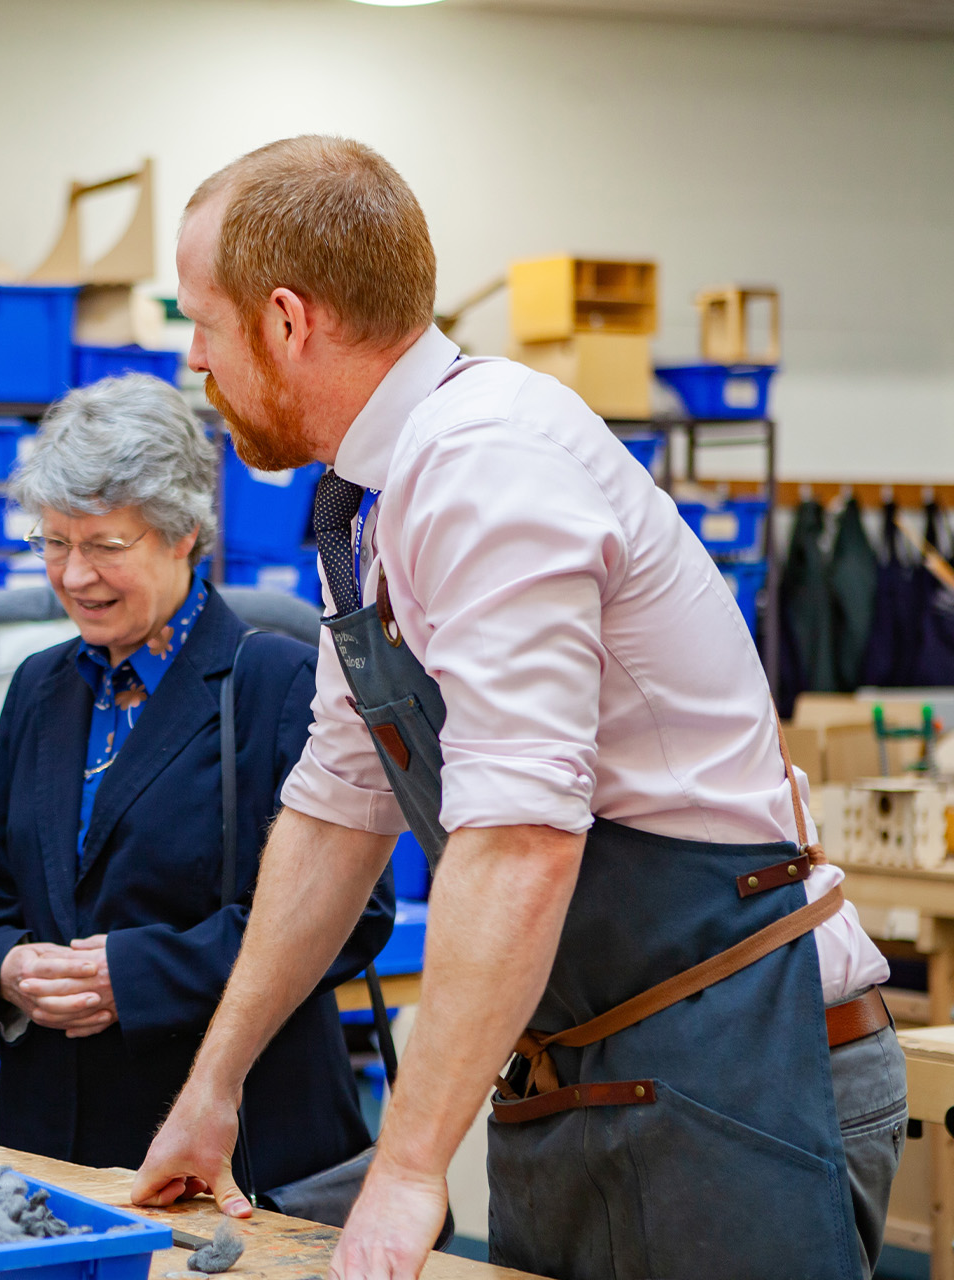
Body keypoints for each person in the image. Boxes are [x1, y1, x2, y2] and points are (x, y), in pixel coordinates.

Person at [131, 135, 906, 1280]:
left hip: (741, 1073)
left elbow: (523, 838)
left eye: (201, 322)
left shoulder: (488, 464)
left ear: (288, 321)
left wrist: (403, 1174)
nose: (196, 359)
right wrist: (214, 1084)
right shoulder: (376, 505)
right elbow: (340, 803)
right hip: (589, 1069)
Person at [0, 373, 395, 1192]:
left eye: (105, 546)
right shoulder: (40, 687)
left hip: (238, 1148)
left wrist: (141, 975)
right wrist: (6, 969)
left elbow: (354, 911)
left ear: (184, 533)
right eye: (54, 543)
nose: (74, 575)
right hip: (51, 1146)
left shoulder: (278, 684)